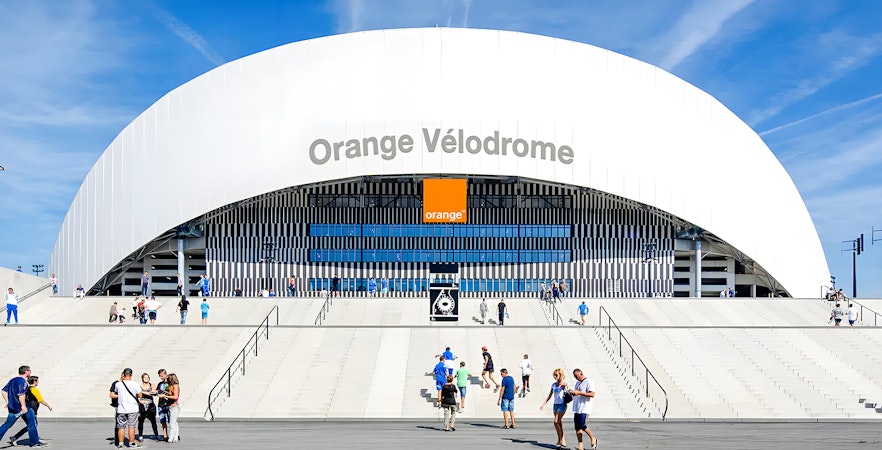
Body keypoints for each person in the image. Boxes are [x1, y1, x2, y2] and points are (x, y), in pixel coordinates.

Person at [0, 365, 44, 447]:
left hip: (13, 408)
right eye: (29, 370)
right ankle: (34, 443)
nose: (30, 372)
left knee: (6, 425)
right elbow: (21, 394)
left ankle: (17, 438)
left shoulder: (12, 380)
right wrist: (23, 406)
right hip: (24, 407)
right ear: (26, 371)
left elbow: (3, 391)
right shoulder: (23, 381)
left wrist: (7, 401)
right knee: (32, 424)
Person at [9, 374, 52, 446]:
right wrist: (48, 406)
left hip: (26, 409)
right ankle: (34, 441)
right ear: (34, 382)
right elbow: (40, 400)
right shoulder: (34, 390)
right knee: (33, 425)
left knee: (32, 425)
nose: (38, 382)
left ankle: (17, 437)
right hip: (31, 410)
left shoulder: (27, 389)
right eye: (37, 381)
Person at [110, 367, 142, 449]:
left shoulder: (118, 384)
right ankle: (131, 443)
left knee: (121, 426)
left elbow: (114, 393)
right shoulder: (135, 384)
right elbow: (140, 395)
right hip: (132, 408)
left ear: (124, 374)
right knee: (132, 426)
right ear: (131, 375)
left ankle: (120, 443)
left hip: (121, 408)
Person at [540, 368, 569, 450]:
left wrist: (563, 385)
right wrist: (543, 404)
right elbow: (550, 395)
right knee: (559, 423)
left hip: (562, 405)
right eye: (554, 375)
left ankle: (560, 439)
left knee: (556, 422)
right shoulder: (553, 385)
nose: (555, 377)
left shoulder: (564, 383)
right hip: (555, 405)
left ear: (560, 375)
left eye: (556, 375)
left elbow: (566, 389)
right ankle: (562, 439)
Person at [571, 368, 597, 450]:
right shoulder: (577, 383)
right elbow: (577, 393)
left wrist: (579, 393)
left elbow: (592, 394)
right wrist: (573, 393)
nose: (576, 378)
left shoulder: (588, 381)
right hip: (577, 408)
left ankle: (593, 438)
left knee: (582, 425)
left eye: (576, 376)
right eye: (574, 376)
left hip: (585, 408)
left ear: (581, 374)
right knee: (577, 427)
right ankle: (580, 444)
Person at [158, 373, 180, 443]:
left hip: (174, 406)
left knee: (172, 423)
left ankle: (171, 438)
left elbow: (175, 396)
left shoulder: (175, 386)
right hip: (170, 405)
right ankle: (175, 437)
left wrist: (165, 396)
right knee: (175, 423)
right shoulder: (170, 386)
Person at [137, 373, 158, 442]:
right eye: (145, 377)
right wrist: (140, 400)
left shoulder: (152, 385)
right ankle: (140, 436)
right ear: (142, 378)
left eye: (147, 377)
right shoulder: (139, 386)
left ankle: (156, 435)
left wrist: (142, 392)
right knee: (141, 421)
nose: (146, 379)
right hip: (142, 405)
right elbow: (137, 394)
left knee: (153, 421)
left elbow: (152, 393)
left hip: (150, 405)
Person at [156, 370, 170, 441]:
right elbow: (157, 391)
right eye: (159, 376)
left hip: (168, 403)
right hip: (161, 404)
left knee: (171, 420)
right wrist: (157, 394)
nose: (160, 377)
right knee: (163, 420)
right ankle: (165, 435)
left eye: (161, 376)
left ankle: (173, 434)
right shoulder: (160, 383)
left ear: (165, 374)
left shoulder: (170, 383)